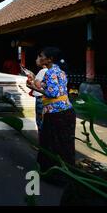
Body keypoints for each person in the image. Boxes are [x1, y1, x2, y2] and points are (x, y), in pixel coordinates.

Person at [27, 47, 76, 177]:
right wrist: (38, 84)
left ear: (50, 59)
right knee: (65, 144)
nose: (40, 57)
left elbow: (52, 93)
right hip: (67, 111)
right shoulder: (60, 71)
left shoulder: (50, 72)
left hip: (56, 113)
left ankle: (52, 173)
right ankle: (67, 172)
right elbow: (52, 87)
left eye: (42, 56)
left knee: (50, 143)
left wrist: (34, 87)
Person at [29, 53, 48, 131]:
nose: (36, 60)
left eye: (38, 58)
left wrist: (31, 85)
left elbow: (38, 86)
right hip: (45, 98)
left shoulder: (43, 71)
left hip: (41, 97)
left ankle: (42, 139)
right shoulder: (48, 71)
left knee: (40, 120)